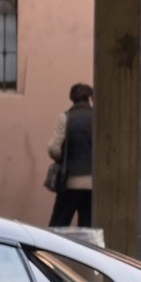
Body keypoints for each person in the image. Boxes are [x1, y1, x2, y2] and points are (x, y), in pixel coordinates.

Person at [47, 82, 95, 228]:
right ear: (89, 98)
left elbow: (54, 148)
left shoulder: (65, 118)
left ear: (72, 98)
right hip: (93, 184)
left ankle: (53, 251)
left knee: (58, 225)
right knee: (88, 227)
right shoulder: (97, 117)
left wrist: (62, 158)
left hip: (70, 182)